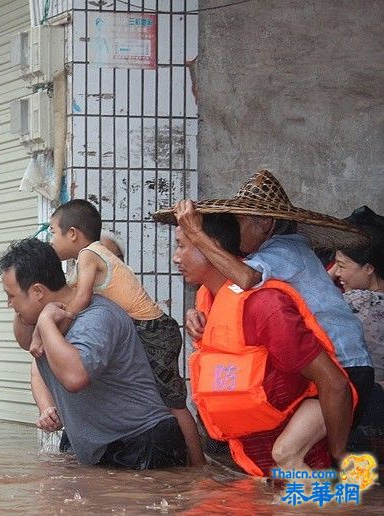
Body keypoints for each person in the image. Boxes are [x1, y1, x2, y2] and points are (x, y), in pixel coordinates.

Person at [162, 170, 372, 468]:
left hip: (346, 364)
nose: (235, 233)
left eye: (240, 223)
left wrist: (197, 234)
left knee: (305, 455)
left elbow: (244, 278)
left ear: (265, 223)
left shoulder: (285, 250)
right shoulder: (266, 258)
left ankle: (341, 458)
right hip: (320, 365)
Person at [30, 200, 205, 466]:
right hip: (144, 328)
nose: (51, 239)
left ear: (73, 234)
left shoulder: (90, 255)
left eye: (54, 232)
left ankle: (199, 467)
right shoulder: (82, 261)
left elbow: (81, 301)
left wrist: (48, 328)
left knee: (172, 403)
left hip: (154, 330)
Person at [1, 238, 189, 469]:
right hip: (102, 448)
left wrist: (45, 320)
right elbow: (24, 340)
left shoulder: (96, 318)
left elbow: (75, 378)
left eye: (11, 296)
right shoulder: (41, 325)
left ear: (38, 291)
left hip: (142, 444)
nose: (9, 304)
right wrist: (39, 319)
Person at [334, 206, 384, 449]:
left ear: (368, 268)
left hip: (367, 407)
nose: (336, 273)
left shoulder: (354, 304)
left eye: (342, 265)